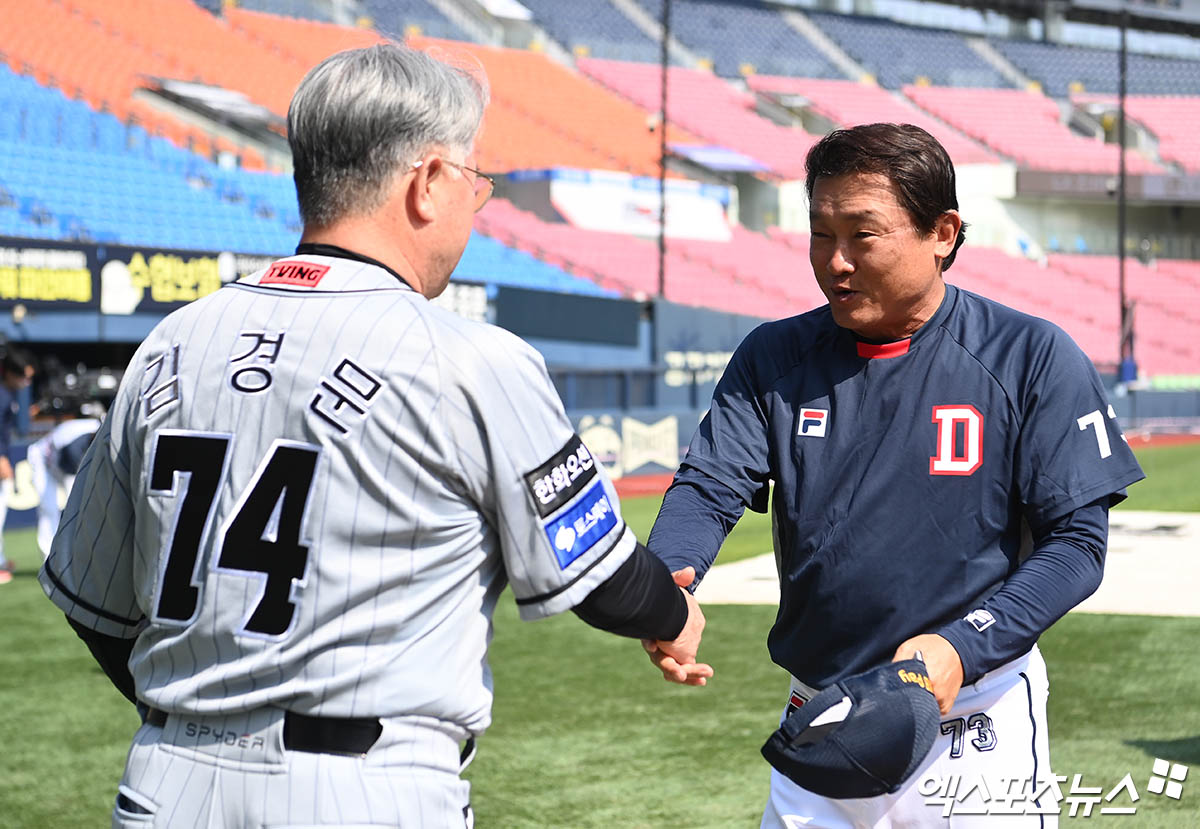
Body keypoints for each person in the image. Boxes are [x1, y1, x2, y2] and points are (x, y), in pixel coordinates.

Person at [39, 42, 710, 829]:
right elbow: (600, 578)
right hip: (364, 790)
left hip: (165, 784)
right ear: (427, 183)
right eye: (474, 181)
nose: (474, 203)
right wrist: (672, 613)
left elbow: (93, 602)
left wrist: (202, 717)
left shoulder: (172, 340)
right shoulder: (469, 355)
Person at [645, 123, 1144, 827]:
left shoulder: (1031, 356)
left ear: (943, 232)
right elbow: (709, 486)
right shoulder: (773, 356)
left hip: (974, 724)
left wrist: (961, 646)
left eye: (862, 234)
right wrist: (667, 581)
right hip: (821, 717)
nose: (835, 262)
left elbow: (1077, 546)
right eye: (821, 234)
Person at [27, 400, 103, 558]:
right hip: (43, 460)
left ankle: (81, 555)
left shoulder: (103, 431)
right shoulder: (76, 445)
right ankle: (50, 558)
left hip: (59, 460)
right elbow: (72, 481)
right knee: (49, 508)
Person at [0, 346, 34, 585]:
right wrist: (1, 458)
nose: (26, 382)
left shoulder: (7, 394)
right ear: (10, 373)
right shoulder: (2, 395)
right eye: (23, 376)